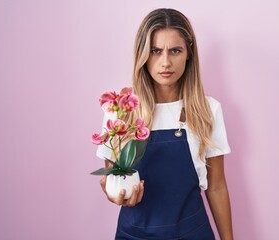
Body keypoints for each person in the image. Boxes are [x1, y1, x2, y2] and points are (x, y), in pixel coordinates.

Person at [97, 8, 234, 240]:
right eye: (155, 51)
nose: (166, 62)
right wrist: (114, 193)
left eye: (175, 51)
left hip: (193, 233)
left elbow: (217, 186)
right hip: (133, 235)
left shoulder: (208, 110)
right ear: (143, 55)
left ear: (189, 54)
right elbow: (112, 176)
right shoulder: (122, 111)